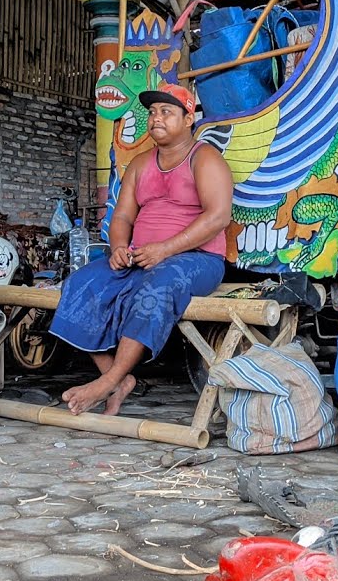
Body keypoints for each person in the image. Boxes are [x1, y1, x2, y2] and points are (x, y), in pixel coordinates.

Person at [50, 83, 234, 415]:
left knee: (159, 283)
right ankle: (116, 378)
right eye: (152, 112)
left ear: (189, 118)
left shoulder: (205, 158)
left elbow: (219, 216)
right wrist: (119, 247)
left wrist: (165, 249)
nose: (156, 118)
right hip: (142, 256)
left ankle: (107, 383)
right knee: (80, 283)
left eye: (167, 111)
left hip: (199, 261)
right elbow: (121, 216)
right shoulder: (139, 164)